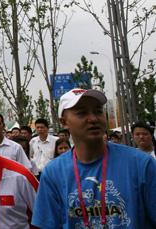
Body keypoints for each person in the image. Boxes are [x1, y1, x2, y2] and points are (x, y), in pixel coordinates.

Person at [32, 88, 156, 228]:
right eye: (82, 113)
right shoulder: (53, 173)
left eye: (98, 111)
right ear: (64, 122)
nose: (93, 118)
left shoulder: (141, 164)